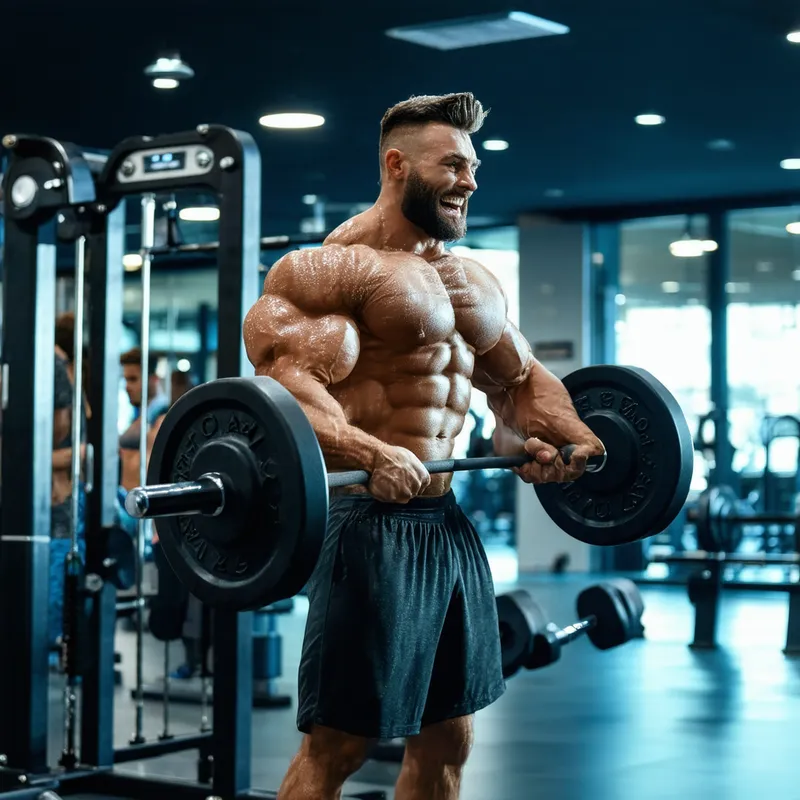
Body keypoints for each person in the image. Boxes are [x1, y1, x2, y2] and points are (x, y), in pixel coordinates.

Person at [242, 92, 604, 800]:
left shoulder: (471, 280)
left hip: (446, 523)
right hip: (366, 527)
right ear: (397, 165)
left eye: (474, 167)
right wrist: (367, 453)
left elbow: (519, 386)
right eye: (454, 165)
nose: (471, 181)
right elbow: (287, 396)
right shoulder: (326, 272)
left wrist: (566, 442)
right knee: (339, 744)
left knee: (448, 735)